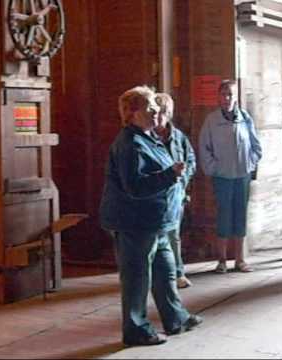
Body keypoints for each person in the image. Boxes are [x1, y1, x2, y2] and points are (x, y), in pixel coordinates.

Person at [99, 85, 202, 347]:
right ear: (133, 113)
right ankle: (136, 330)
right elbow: (134, 186)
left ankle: (176, 317)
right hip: (136, 223)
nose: (156, 110)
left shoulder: (149, 137)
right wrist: (170, 175)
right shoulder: (130, 144)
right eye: (149, 107)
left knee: (166, 271)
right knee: (137, 278)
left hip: (158, 221)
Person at [199, 79, 262, 274]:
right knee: (224, 215)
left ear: (236, 97)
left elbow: (256, 146)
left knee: (239, 216)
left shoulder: (245, 118)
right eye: (223, 94)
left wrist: (250, 163)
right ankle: (222, 260)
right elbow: (204, 147)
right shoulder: (211, 120)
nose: (227, 98)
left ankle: (240, 260)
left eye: (230, 94)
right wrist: (213, 168)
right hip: (222, 176)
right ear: (218, 97)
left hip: (241, 175)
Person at [155, 93, 196, 289]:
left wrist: (184, 179)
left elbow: (191, 160)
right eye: (156, 111)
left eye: (163, 112)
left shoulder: (178, 138)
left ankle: (178, 273)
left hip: (175, 194)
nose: (159, 116)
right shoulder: (147, 137)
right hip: (155, 194)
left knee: (173, 235)